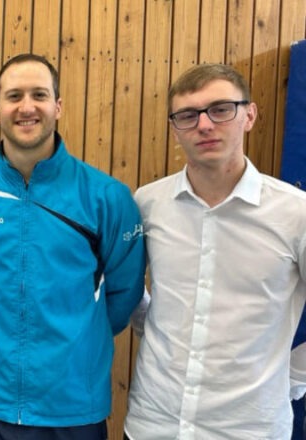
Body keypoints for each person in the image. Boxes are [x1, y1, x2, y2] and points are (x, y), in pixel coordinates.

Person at [0, 53, 146, 439]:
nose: (26, 107)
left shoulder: (106, 198)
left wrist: (75, 341)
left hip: (71, 408)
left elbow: (123, 296)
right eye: (14, 95)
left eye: (39, 94)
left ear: (57, 106)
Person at [123, 63, 306, 439]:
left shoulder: (296, 213)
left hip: (250, 429)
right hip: (153, 424)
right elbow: (125, 287)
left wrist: (290, 377)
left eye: (221, 109)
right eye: (188, 115)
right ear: (175, 128)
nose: (204, 125)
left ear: (249, 115)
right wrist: (154, 325)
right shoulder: (149, 203)